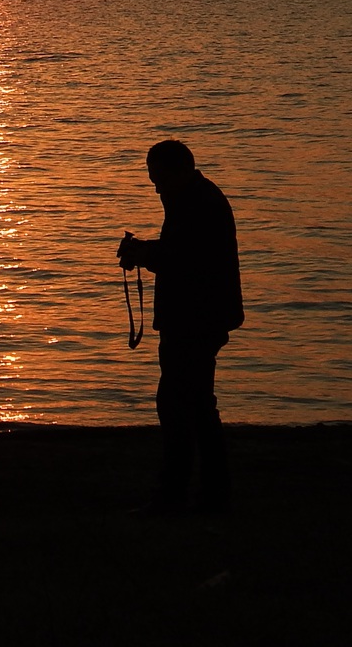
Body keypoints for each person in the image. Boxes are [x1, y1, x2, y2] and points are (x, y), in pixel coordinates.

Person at [117, 139, 244, 514]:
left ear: (179, 171)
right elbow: (184, 251)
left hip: (196, 318)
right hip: (199, 316)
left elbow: (189, 259)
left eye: (158, 178)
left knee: (179, 405)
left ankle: (178, 493)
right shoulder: (196, 198)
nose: (155, 187)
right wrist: (147, 251)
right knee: (195, 405)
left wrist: (146, 255)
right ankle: (208, 492)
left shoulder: (198, 203)